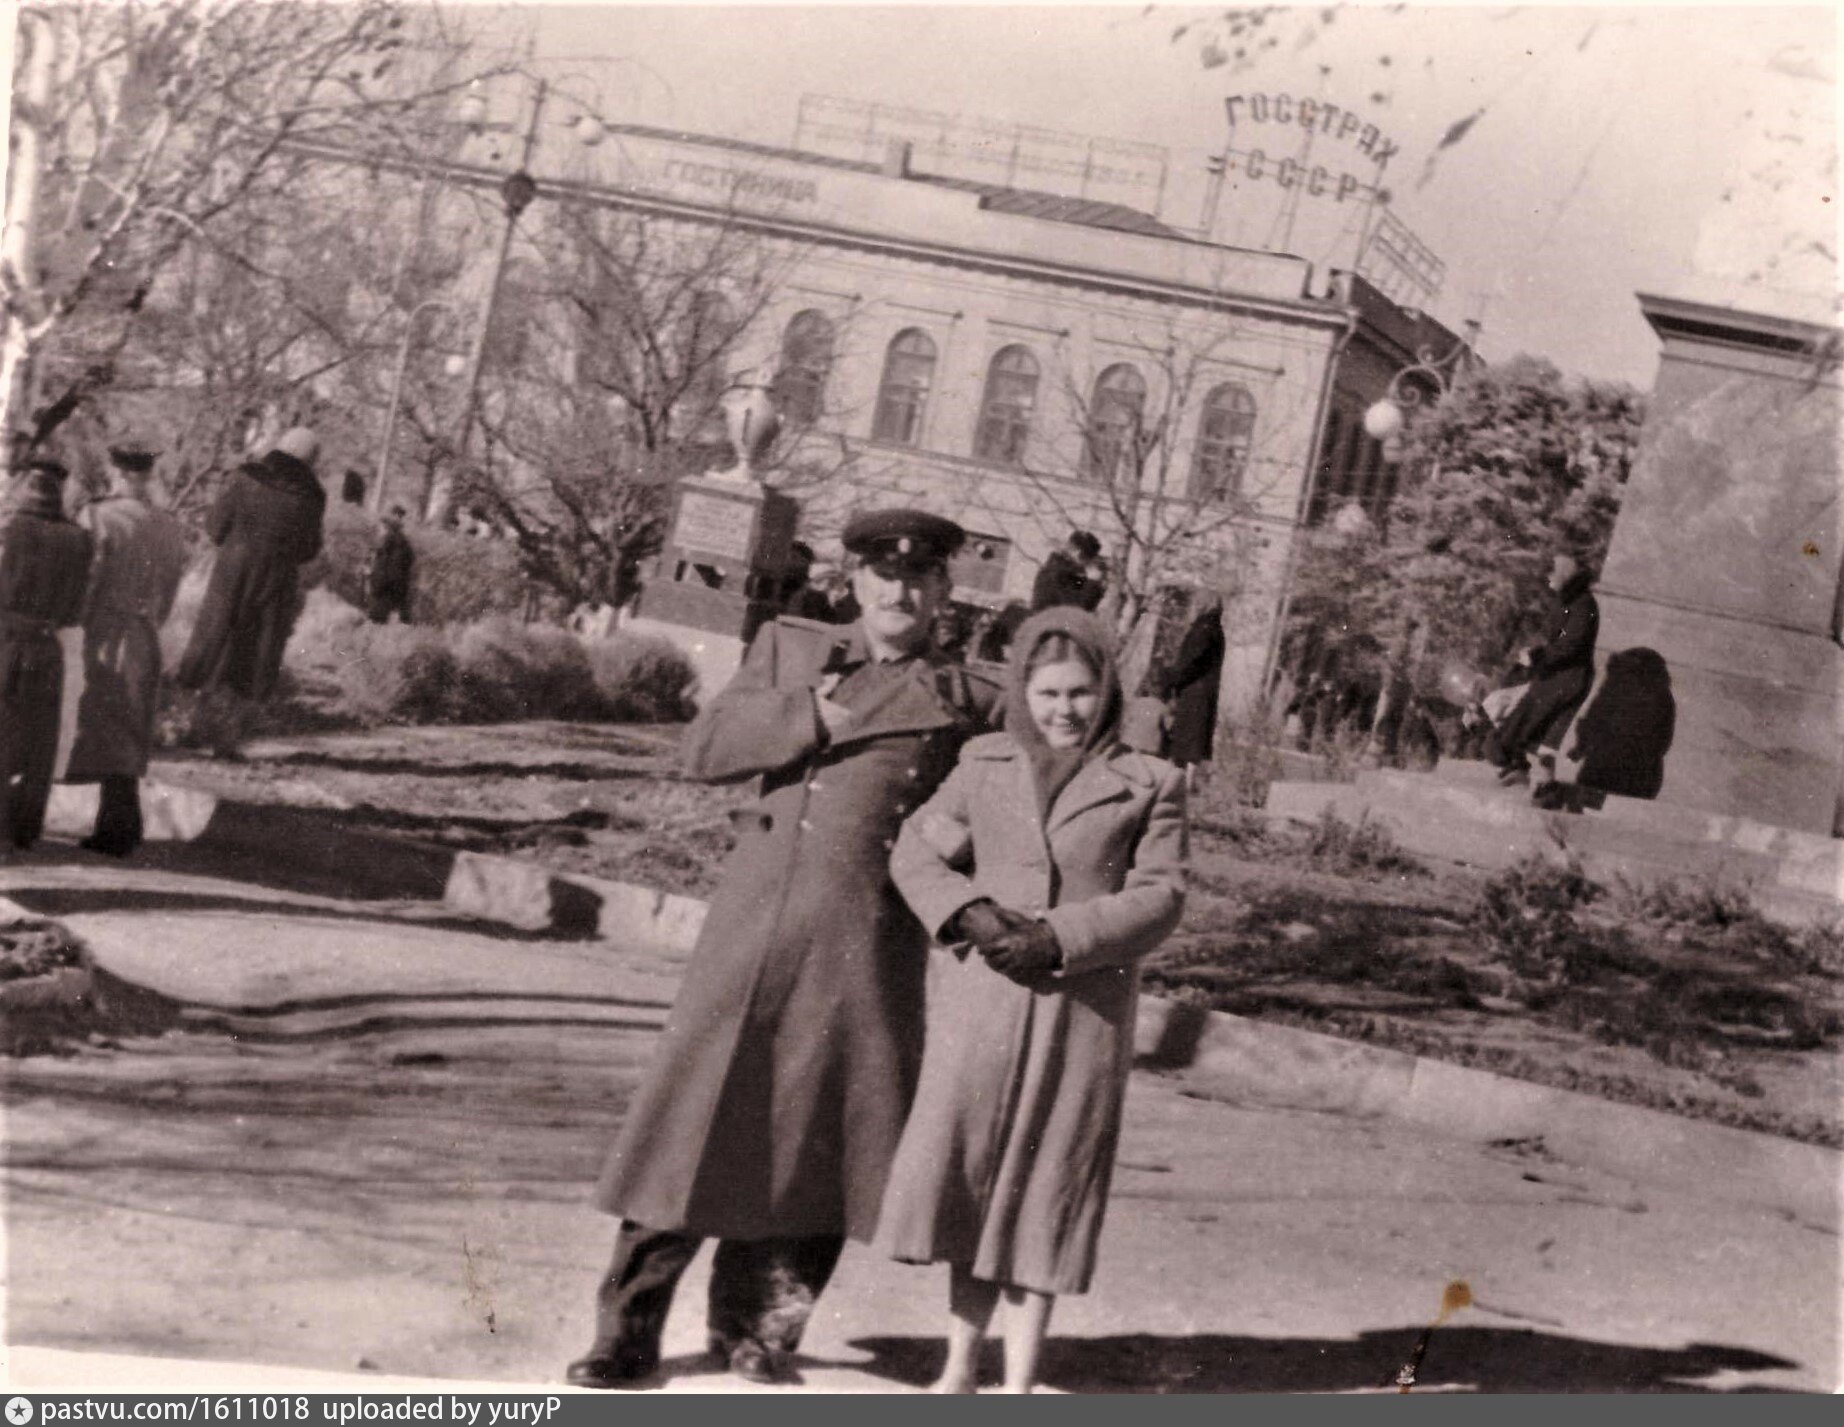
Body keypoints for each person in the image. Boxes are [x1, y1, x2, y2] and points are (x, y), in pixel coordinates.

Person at [568, 509, 999, 1390]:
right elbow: (705, 748)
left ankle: (762, 1330)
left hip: (866, 945)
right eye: (883, 575)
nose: (900, 592)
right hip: (756, 930)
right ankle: (627, 1333)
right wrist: (810, 715)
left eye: (919, 579)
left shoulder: (966, 699)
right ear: (857, 581)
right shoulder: (793, 651)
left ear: (944, 593)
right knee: (688, 1123)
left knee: (822, 1137)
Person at [878, 605, 1187, 1394]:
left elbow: (1161, 896)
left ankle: (1018, 1384)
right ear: (1022, 689)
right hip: (984, 1001)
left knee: (1049, 1182)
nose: (1064, 710)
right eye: (1048, 692)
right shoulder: (983, 762)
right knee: (974, 1178)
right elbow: (916, 849)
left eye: (1081, 692)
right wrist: (967, 911)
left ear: (1107, 689)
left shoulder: (1150, 782)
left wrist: (1060, 936)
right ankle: (958, 1369)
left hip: (1080, 1013)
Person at [63, 442, 191, 857]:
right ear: (148, 475)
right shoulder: (169, 526)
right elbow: (170, 592)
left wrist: (77, 623)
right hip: (145, 633)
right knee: (132, 727)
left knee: (103, 722)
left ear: (116, 471)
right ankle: (122, 822)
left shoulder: (98, 516)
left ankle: (116, 827)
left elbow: (87, 580)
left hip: (105, 630)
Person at [175, 426, 327, 703]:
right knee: (256, 655)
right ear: (312, 459)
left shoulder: (244, 477)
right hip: (276, 581)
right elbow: (308, 550)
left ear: (281, 446)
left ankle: (192, 704)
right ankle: (238, 720)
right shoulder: (312, 496)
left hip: (232, 571)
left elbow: (215, 527)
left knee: (215, 637)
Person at [0, 458, 95, 853]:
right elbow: (74, 613)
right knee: (39, 741)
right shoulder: (79, 540)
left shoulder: (9, 530)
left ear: (26, 486)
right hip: (46, 646)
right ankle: (24, 827)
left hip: (6, 642)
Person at [1489, 554, 1600, 786]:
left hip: (1567, 678)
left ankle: (1527, 775)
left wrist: (1538, 656)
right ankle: (1520, 770)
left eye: (1552, 571)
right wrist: (1535, 655)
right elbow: (1558, 641)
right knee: (1520, 728)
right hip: (1555, 674)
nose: (1547, 577)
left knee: (1525, 728)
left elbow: (1571, 644)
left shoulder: (1583, 604)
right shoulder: (1567, 601)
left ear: (1565, 574)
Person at [1159, 590, 1226, 779]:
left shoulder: (1203, 629)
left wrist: (1171, 680)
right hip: (1203, 691)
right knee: (1192, 744)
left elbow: (1190, 662)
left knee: (1187, 745)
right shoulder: (1215, 629)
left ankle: (1182, 784)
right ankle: (1184, 782)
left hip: (1194, 693)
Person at [1030, 530, 1104, 613]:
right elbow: (1077, 609)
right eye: (1088, 559)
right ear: (1078, 553)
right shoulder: (1060, 573)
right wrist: (1093, 582)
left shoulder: (1062, 570)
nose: (1088, 563)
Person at [365, 505, 416, 625]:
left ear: (386, 527)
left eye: (381, 528)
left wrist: (374, 578)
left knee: (377, 620)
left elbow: (384, 566)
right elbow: (410, 560)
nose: (380, 531)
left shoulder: (387, 542)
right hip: (396, 586)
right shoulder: (404, 542)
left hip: (385, 586)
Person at [779, 542, 834, 622]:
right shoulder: (774, 585)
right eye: (787, 557)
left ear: (807, 563)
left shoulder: (815, 594)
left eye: (794, 557)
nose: (788, 561)